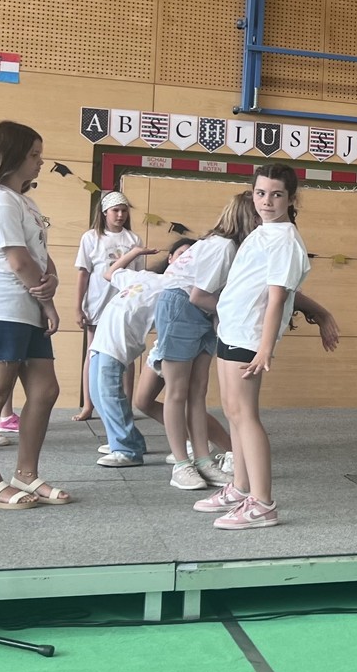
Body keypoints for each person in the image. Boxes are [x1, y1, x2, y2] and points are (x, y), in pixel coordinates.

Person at [196, 165, 311, 530]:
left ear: (291, 199)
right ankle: (241, 486)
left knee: (246, 415)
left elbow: (277, 298)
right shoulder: (260, 232)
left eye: (276, 194)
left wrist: (265, 347)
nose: (267, 201)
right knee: (232, 411)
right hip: (231, 330)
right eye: (261, 193)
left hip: (250, 336)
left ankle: (262, 503)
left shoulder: (286, 240)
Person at [0, 121, 65, 510]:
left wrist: (52, 281)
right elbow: (18, 260)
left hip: (25, 307)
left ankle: (26, 473)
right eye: (34, 155)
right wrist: (48, 301)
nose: (40, 162)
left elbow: (39, 256)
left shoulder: (24, 202)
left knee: (45, 390)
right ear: (12, 156)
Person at [161, 191, 254, 489]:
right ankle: (181, 464)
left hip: (203, 311)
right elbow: (198, 295)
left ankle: (203, 460)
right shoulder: (223, 246)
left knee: (198, 390)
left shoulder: (230, 248)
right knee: (177, 390)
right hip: (180, 306)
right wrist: (232, 315)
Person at [89, 241, 189, 468]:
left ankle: (127, 450)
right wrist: (134, 253)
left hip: (121, 340)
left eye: (191, 256)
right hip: (102, 337)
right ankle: (130, 439)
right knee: (97, 394)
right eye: (182, 253)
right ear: (170, 257)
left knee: (109, 394)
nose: (185, 258)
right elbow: (109, 273)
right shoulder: (144, 276)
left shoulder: (178, 288)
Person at [73, 190, 139, 421]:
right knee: (93, 353)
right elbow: (83, 274)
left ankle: (126, 405)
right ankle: (88, 405)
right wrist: (78, 307)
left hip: (123, 306)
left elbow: (138, 276)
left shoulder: (133, 240)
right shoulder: (91, 237)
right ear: (104, 213)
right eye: (115, 210)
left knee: (127, 355)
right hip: (97, 304)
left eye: (124, 211)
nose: (120, 215)